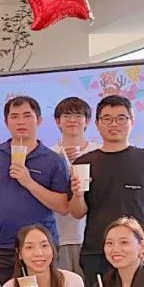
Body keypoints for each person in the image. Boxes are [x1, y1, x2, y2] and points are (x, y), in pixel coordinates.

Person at [69, 95, 144, 284]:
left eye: (121, 118)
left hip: (140, 252)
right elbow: (77, 213)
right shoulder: (84, 163)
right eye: (107, 119)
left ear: (131, 122)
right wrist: (77, 195)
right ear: (97, 124)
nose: (114, 124)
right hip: (97, 252)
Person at [0, 96, 70, 284]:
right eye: (14, 117)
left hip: (41, 247)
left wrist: (29, 182)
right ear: (6, 122)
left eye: (27, 116)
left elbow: (63, 206)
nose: (21, 122)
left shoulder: (53, 160)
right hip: (3, 245)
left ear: (38, 120)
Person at [50, 97, 101, 277]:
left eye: (78, 115)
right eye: (66, 116)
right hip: (59, 235)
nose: (72, 120)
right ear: (58, 121)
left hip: (93, 236)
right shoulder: (49, 155)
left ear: (87, 121)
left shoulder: (99, 153)